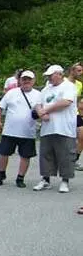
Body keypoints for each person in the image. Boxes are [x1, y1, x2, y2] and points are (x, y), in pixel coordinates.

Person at [33, 64, 77, 193]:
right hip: (47, 128)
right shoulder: (46, 88)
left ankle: (65, 181)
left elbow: (66, 102)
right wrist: (41, 112)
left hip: (64, 127)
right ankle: (45, 180)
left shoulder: (69, 86)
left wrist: (46, 109)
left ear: (59, 74)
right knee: (46, 154)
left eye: (51, 75)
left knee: (65, 155)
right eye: (47, 76)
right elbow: (37, 103)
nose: (49, 78)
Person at [0, 70, 41, 187]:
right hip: (10, 131)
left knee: (25, 156)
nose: (26, 81)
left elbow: (44, 111)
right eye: (24, 79)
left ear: (34, 81)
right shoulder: (11, 93)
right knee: (4, 153)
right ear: (20, 80)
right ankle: (1, 174)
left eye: (29, 79)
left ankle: (20, 178)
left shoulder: (39, 95)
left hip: (28, 132)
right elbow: (0, 107)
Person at [67, 62, 83, 170]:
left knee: (82, 135)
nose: (81, 73)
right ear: (72, 71)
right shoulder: (63, 82)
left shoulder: (79, 84)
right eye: (79, 70)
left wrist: (81, 114)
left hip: (75, 113)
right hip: (64, 114)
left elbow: (77, 100)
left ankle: (74, 160)